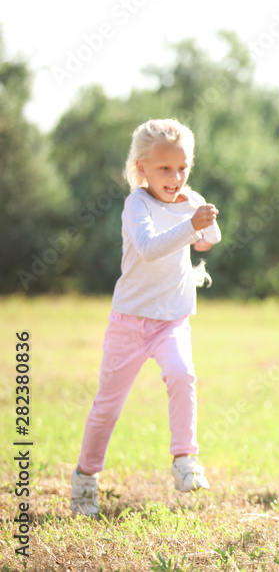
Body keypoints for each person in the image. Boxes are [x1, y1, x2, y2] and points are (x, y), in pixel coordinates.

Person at [70, 119, 221, 517]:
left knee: (182, 373)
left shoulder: (190, 199)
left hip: (173, 319)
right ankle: (85, 476)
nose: (176, 177)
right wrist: (192, 226)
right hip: (130, 321)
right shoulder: (136, 204)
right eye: (165, 169)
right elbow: (151, 248)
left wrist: (202, 224)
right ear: (142, 168)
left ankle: (185, 459)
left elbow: (210, 240)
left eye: (183, 167)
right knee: (107, 406)